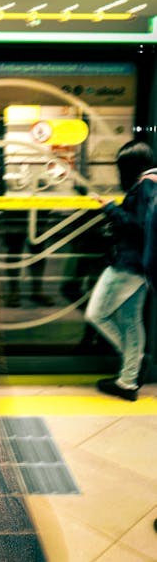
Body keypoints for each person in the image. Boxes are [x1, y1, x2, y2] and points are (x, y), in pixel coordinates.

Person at [85, 140, 156, 401]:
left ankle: (133, 365)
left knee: (97, 314)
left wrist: (110, 208)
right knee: (130, 320)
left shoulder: (146, 184)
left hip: (128, 265)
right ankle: (128, 380)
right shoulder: (152, 182)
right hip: (142, 266)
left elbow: (136, 225)